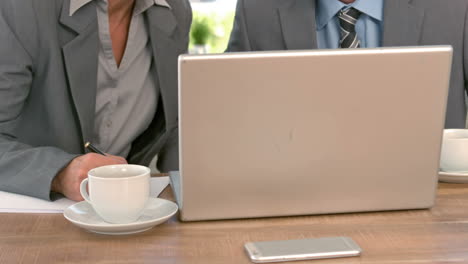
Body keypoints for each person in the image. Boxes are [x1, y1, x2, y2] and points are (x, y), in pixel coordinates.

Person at [0, 0, 192, 201]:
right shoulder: (21, 7)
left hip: (125, 210)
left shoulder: (175, 10)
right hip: (31, 213)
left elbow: (174, 122)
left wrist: (192, 192)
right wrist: (60, 173)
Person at [227, 0, 468, 129]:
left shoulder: (456, 8)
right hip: (295, 190)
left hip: (434, 194)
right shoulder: (256, 10)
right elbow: (228, 114)